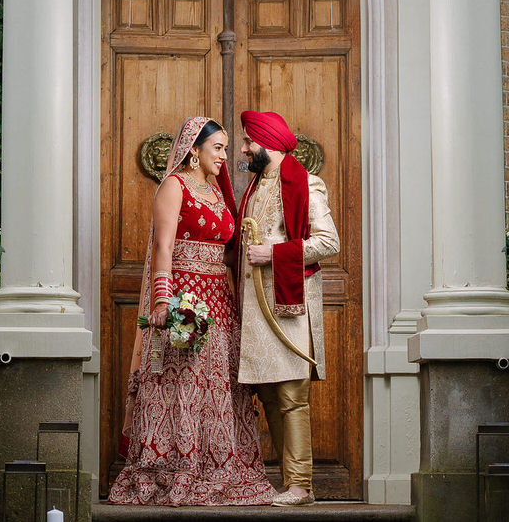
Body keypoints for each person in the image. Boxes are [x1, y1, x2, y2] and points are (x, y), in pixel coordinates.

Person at [108, 117, 275, 506]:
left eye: (226, 147)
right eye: (217, 147)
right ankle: (175, 468)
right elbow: (163, 247)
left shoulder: (217, 191)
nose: (224, 155)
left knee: (221, 383)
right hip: (186, 297)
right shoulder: (174, 185)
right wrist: (163, 300)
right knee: (183, 382)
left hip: (219, 297)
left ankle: (219, 467)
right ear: (193, 148)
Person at [237, 109, 341, 507]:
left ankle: (301, 485)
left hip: (288, 305)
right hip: (256, 308)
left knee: (291, 394)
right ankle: (288, 482)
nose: (244, 149)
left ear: (270, 143)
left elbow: (329, 242)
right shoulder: (254, 187)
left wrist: (274, 254)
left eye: (249, 141)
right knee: (267, 394)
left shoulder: (307, 184)